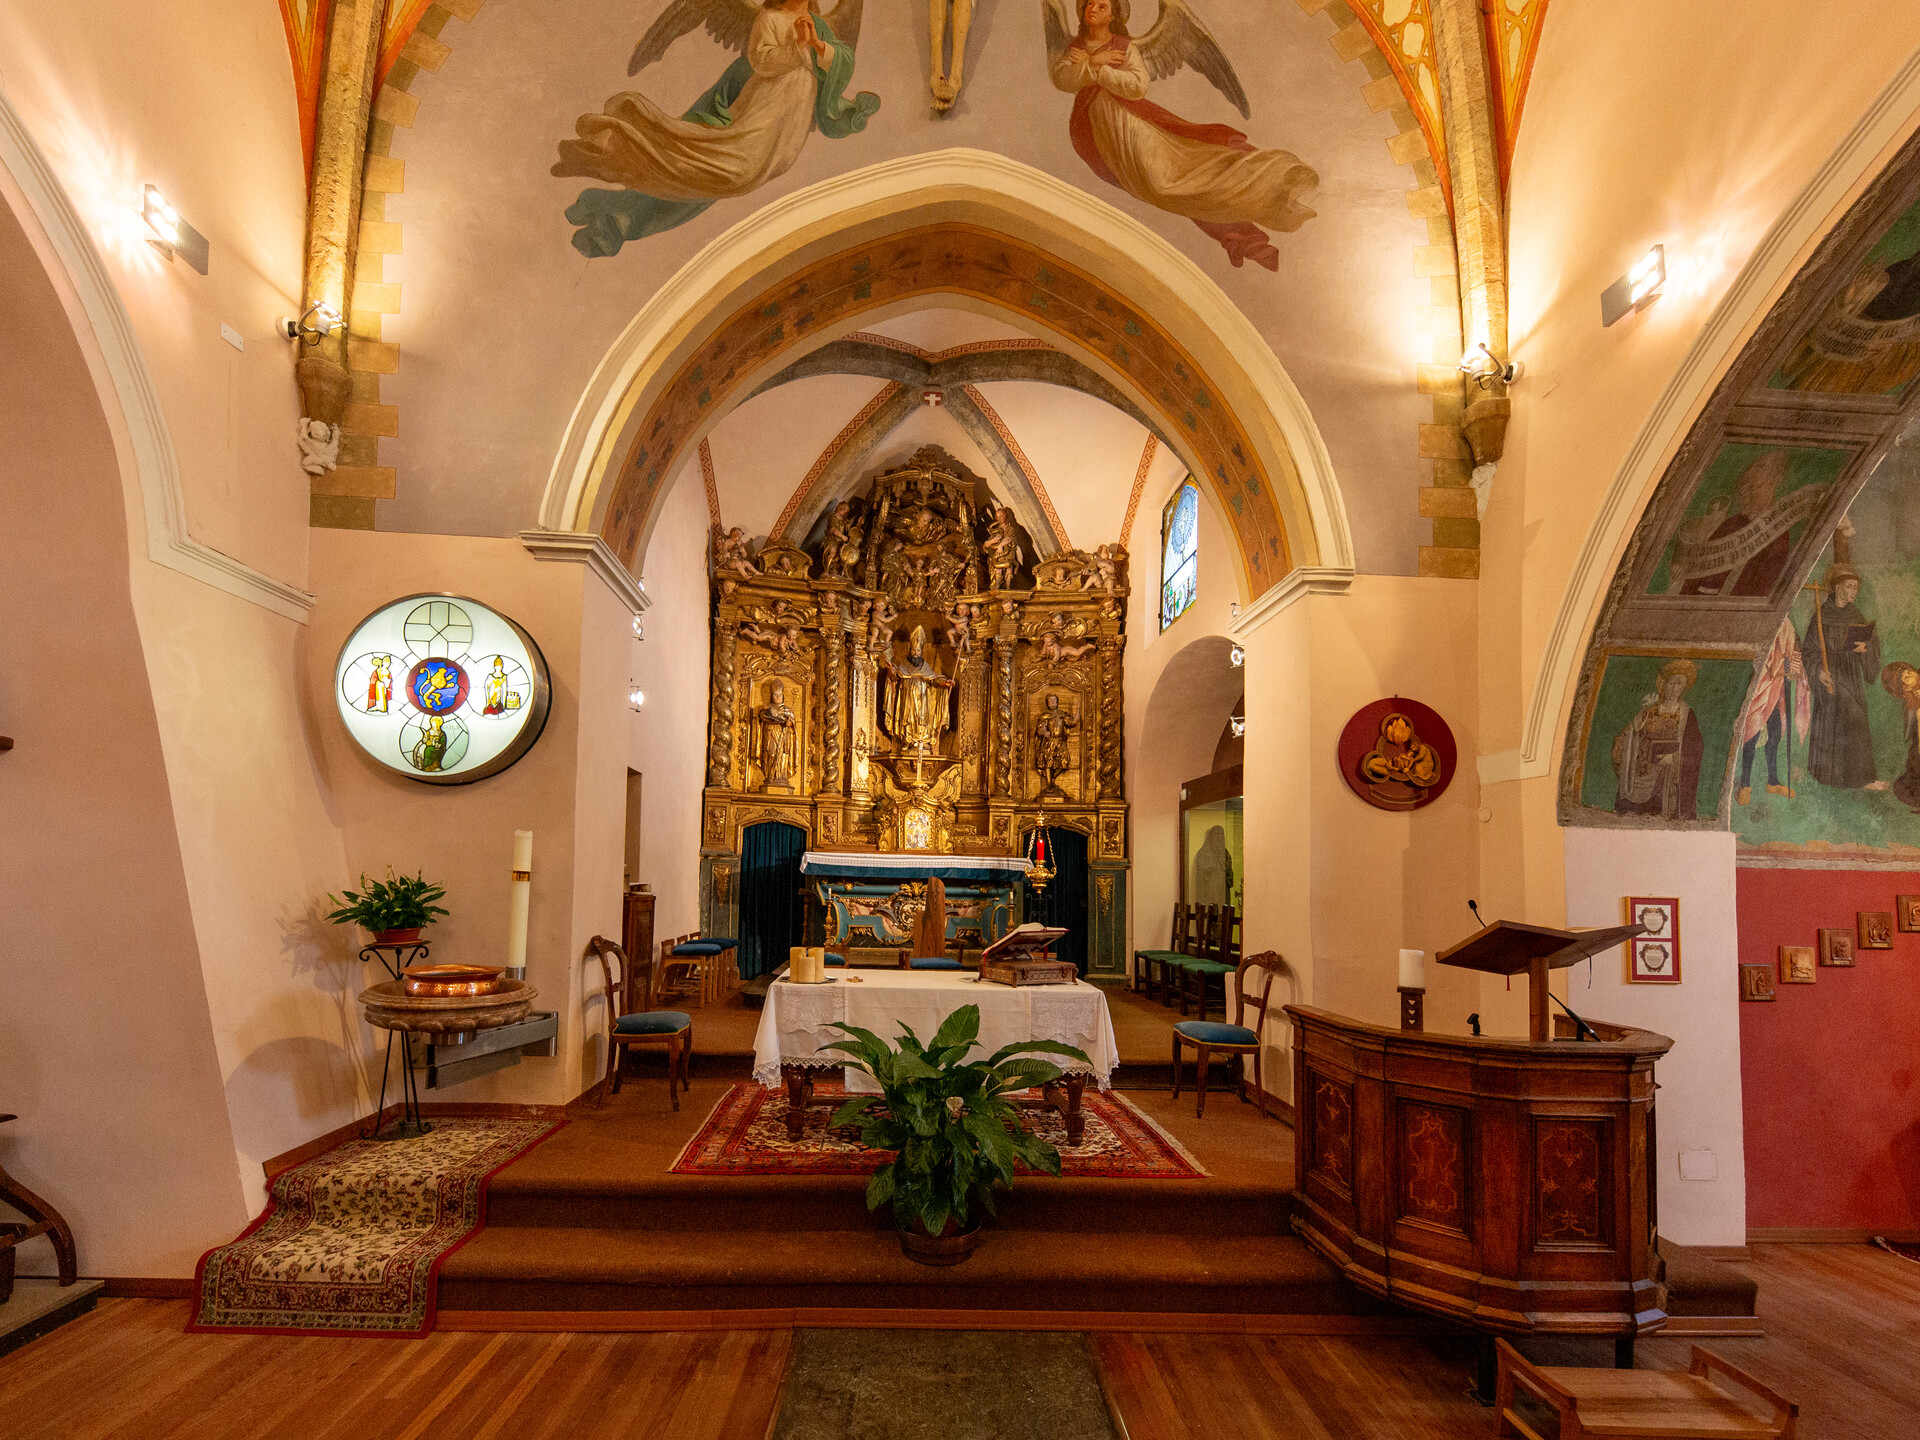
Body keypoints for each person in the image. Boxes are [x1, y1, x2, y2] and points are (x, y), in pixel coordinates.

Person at [555, 0, 879, 257]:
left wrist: (819, 45)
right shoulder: (768, 17)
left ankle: (619, 217)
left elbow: (842, 59)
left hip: (783, 128)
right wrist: (800, 47)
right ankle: (615, 184)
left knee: (708, 185)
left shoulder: (818, 25)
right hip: (743, 105)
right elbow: (761, 60)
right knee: (709, 168)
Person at [1047, 0, 1317, 271]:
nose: (1092, 9)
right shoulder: (1076, 48)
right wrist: (1093, 61)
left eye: (1101, 6)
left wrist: (1100, 70)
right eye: (1089, 4)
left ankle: (1272, 180)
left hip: (1132, 124)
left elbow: (1137, 87)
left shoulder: (1124, 47)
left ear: (1113, 15)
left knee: (1171, 183)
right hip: (1099, 137)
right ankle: (1246, 228)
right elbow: (1062, 79)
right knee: (1175, 190)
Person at [1801, 564, 1885, 790]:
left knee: (1854, 721)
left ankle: (1857, 779)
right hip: (1830, 675)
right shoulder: (1821, 615)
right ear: (1837, 588)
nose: (1854, 592)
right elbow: (1809, 650)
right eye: (1850, 587)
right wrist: (1818, 670)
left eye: (1856, 588)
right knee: (1847, 719)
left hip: (1850, 674)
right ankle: (1841, 777)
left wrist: (1863, 647)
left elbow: (1870, 642)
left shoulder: (1855, 614)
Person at [1611, 659, 1704, 820]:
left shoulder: (1687, 715)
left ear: (1684, 688)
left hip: (1668, 774)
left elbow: (1695, 749)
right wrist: (1635, 731)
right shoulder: (1649, 712)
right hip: (1643, 771)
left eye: (1679, 684)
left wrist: (1675, 758)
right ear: (1663, 685)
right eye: (1671, 683)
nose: (1674, 689)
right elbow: (1624, 741)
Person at [1734, 619, 1810, 804]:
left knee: (1775, 734)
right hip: (1759, 687)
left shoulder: (1788, 626)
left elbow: (1796, 648)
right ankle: (1745, 785)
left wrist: (1793, 668)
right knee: (1751, 735)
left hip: (1776, 689)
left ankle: (1772, 782)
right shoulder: (1759, 621)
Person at [1882, 662, 1920, 811]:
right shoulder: (1912, 707)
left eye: (1908, 671)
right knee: (1902, 786)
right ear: (1907, 688)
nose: (1910, 673)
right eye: (1905, 677)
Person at [1192, 824, 1232, 908]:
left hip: (1222, 890)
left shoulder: (1225, 852)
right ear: (1211, 837)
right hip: (1210, 889)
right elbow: (1202, 870)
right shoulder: (1204, 852)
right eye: (1216, 834)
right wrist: (1212, 867)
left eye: (1220, 835)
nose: (1218, 838)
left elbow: (1229, 873)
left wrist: (1225, 868)